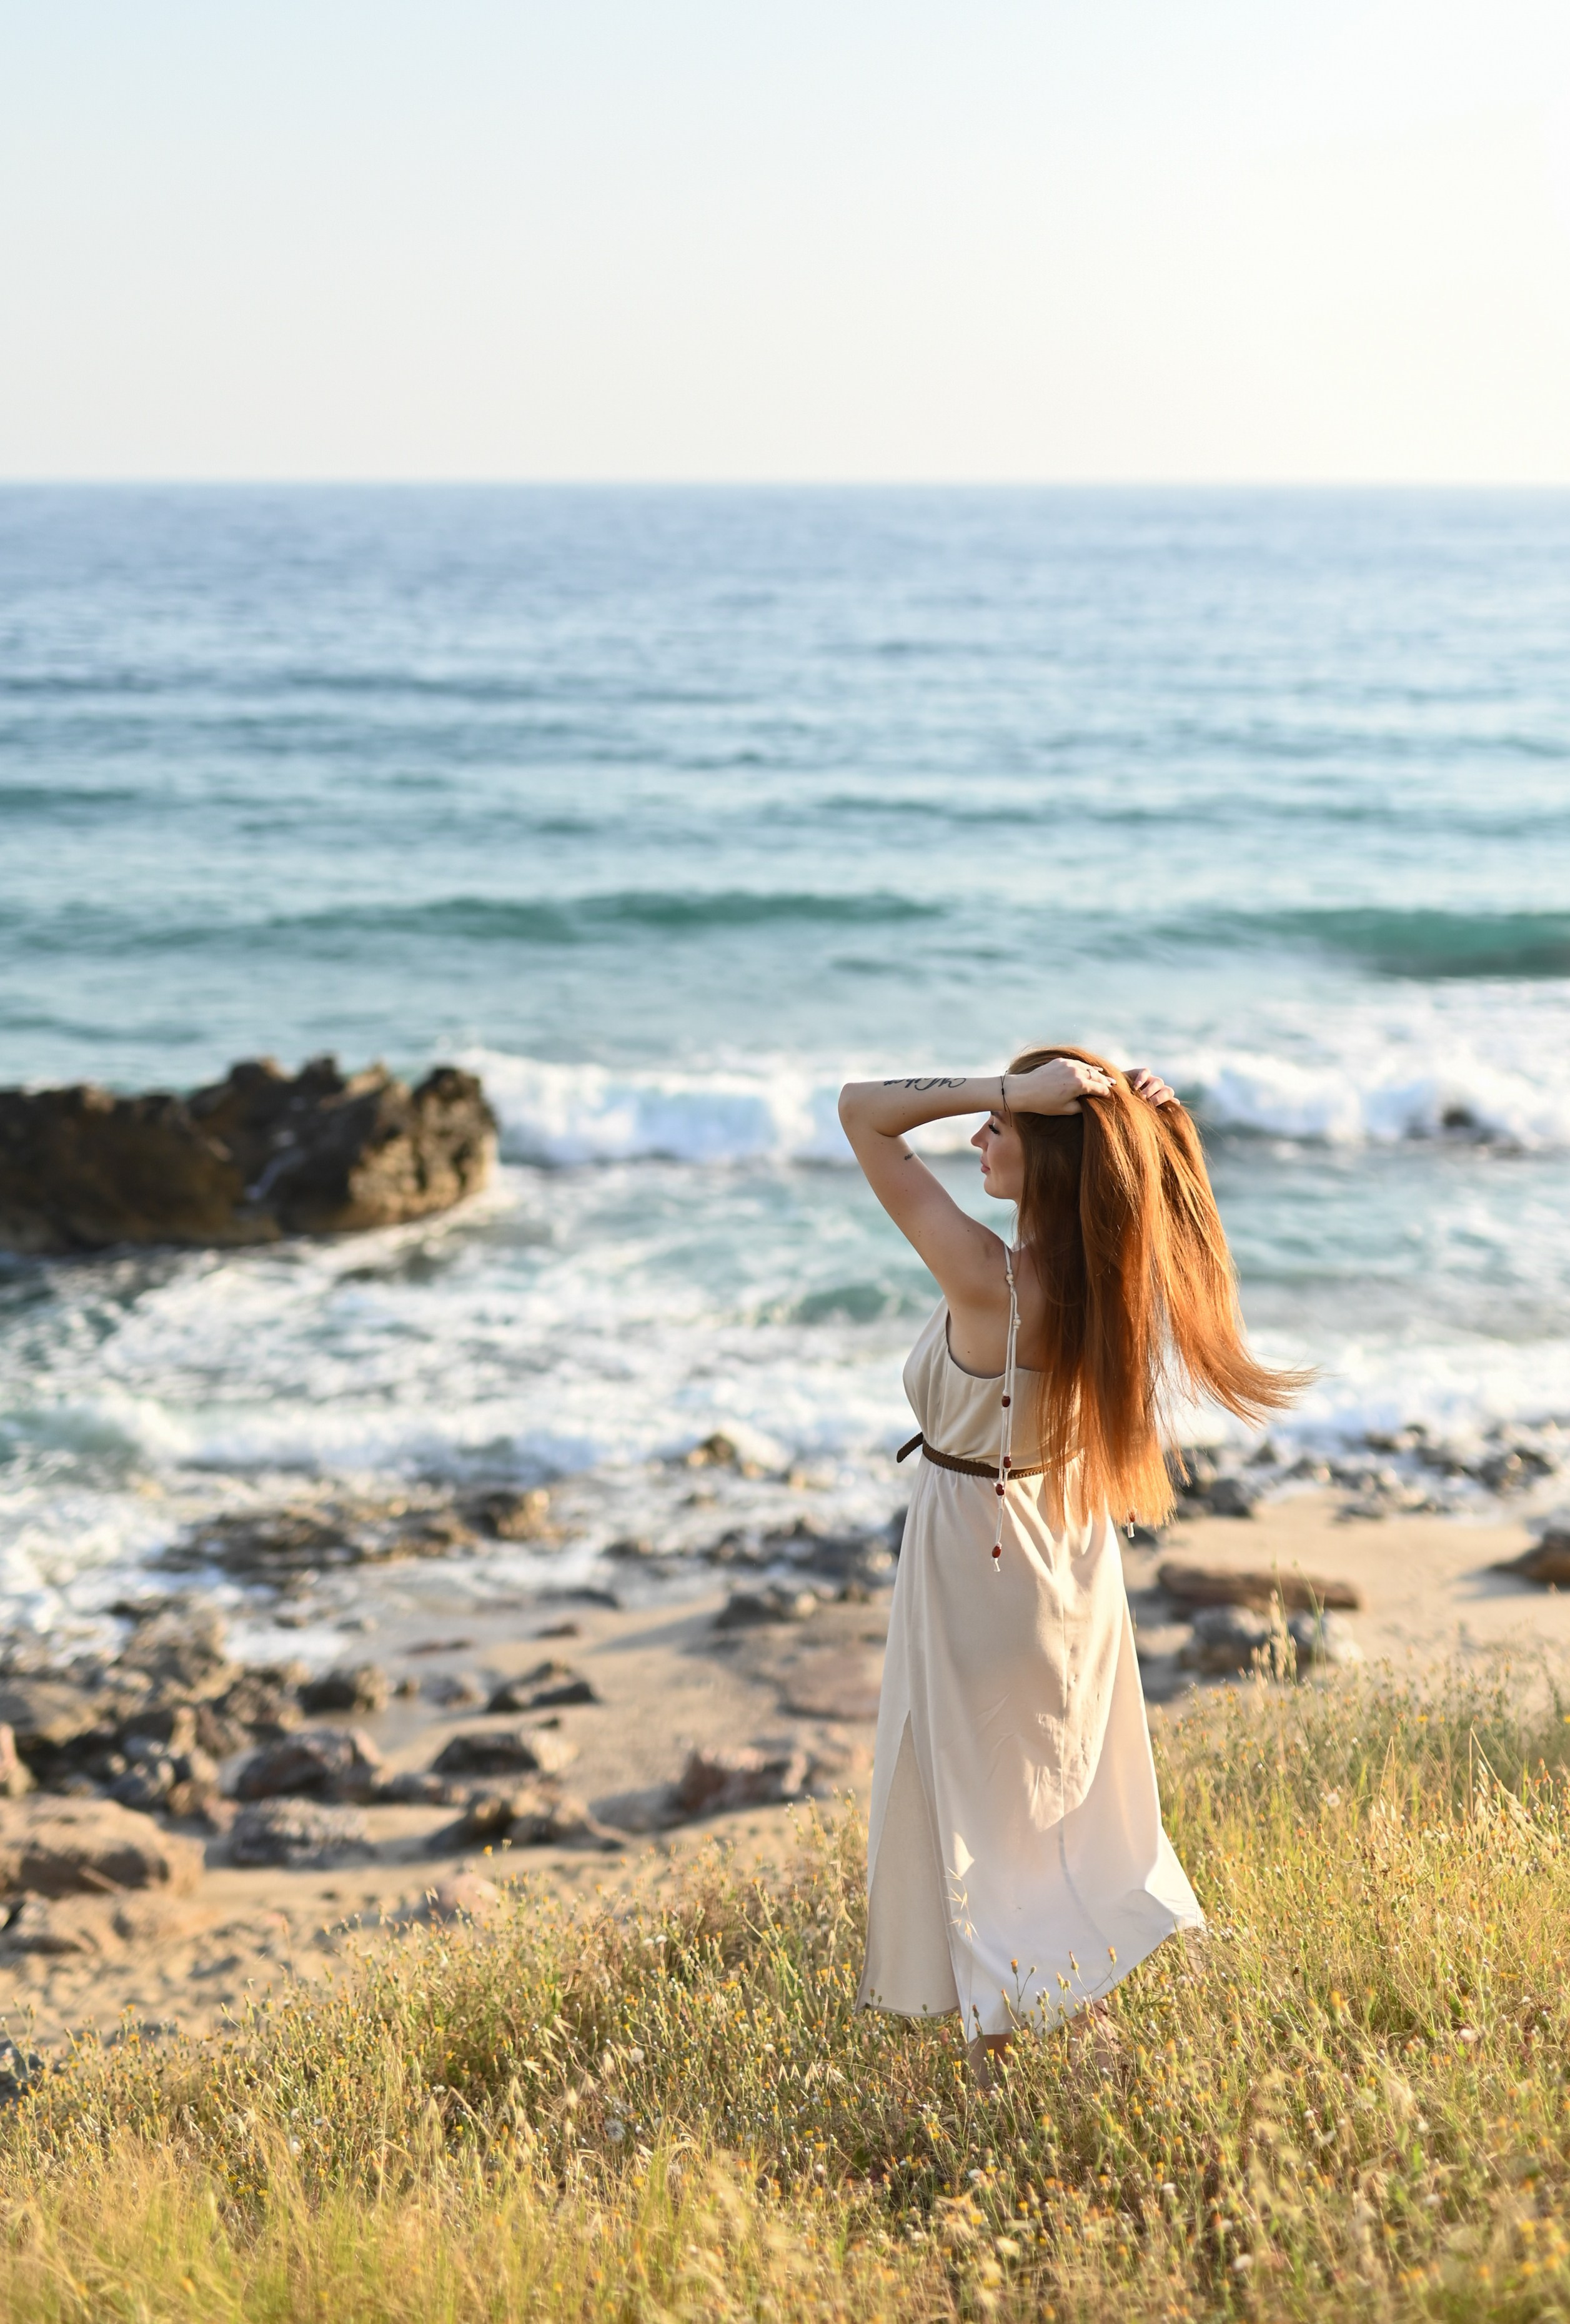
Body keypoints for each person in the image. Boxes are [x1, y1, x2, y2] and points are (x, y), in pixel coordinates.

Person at [837, 1046, 1304, 2083]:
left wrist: (1014, 1088)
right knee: (1048, 1807)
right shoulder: (1110, 1278)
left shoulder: (990, 1279)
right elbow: (1168, 1211)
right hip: (1066, 1557)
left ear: (1047, 1153)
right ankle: (1069, 2035)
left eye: (998, 1127)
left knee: (975, 1815)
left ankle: (1000, 2068)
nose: (977, 1136)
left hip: (978, 1557)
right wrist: (1159, 1134)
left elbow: (859, 1111)